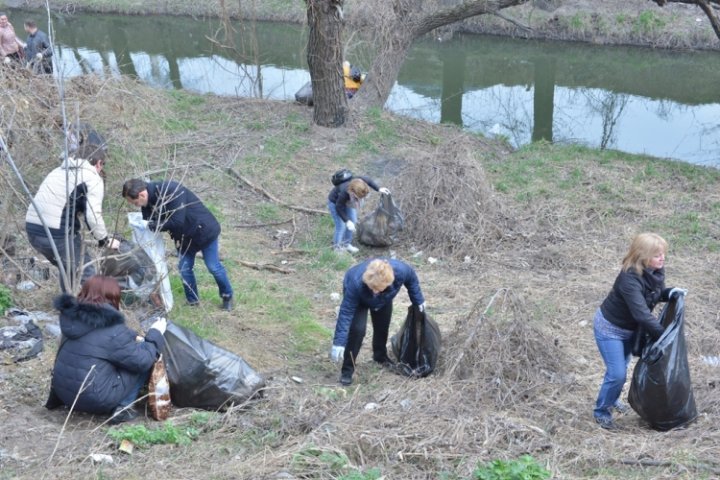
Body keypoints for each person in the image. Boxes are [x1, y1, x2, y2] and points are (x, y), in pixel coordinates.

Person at [592, 232, 687, 430]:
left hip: (629, 330)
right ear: (642, 256)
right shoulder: (629, 279)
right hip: (610, 329)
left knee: (621, 366)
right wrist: (665, 337)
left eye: (663, 253)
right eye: (656, 255)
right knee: (617, 373)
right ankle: (601, 412)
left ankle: (612, 398)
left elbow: (651, 294)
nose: (662, 258)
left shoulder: (654, 272)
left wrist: (669, 292)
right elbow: (642, 314)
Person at [47, 275, 167, 424]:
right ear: (112, 297)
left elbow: (99, 337)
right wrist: (155, 334)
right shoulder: (113, 330)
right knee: (144, 353)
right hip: (95, 400)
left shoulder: (72, 320)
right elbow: (142, 361)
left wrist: (133, 335)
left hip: (64, 395)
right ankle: (123, 408)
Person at [122, 178, 234, 310]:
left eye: (135, 203)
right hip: (183, 237)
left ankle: (227, 296)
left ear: (142, 194)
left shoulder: (171, 190)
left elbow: (177, 221)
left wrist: (153, 224)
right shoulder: (147, 202)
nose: (137, 206)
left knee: (213, 266)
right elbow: (148, 221)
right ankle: (193, 301)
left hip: (203, 231)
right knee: (184, 268)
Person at [25, 144, 120, 293]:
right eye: (102, 166)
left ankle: (69, 308)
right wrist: (104, 241)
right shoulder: (92, 177)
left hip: (32, 230)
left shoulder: (58, 171)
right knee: (85, 272)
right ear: (99, 163)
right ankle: (97, 311)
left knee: (68, 268)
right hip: (56, 233)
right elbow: (93, 215)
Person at [330, 258, 426, 386]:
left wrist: (418, 300)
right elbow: (346, 313)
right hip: (360, 299)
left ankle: (380, 356)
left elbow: (412, 279)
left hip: (384, 298)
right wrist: (339, 342)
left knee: (382, 325)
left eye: (378, 288)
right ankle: (347, 369)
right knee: (357, 331)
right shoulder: (355, 282)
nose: (375, 291)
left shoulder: (401, 271)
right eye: (372, 288)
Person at [328, 174, 389, 253]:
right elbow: (339, 207)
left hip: (349, 201)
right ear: (352, 192)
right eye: (359, 197)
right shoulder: (344, 191)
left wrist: (379, 188)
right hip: (335, 203)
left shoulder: (361, 181)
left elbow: (369, 179)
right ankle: (337, 248)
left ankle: (346, 244)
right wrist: (347, 221)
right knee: (341, 226)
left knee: (353, 220)